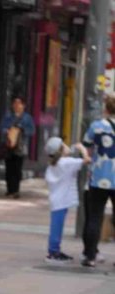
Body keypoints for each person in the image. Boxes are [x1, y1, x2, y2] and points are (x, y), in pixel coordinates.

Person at [80, 95, 115, 268]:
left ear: (106, 108)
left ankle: (90, 257)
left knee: (95, 217)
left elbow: (86, 142)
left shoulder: (97, 125)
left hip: (99, 177)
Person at [43, 137, 90, 264]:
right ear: (61, 150)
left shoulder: (54, 165)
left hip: (56, 200)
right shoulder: (67, 162)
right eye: (64, 144)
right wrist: (82, 149)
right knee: (56, 227)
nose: (67, 145)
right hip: (62, 200)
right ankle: (53, 253)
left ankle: (55, 251)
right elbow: (87, 160)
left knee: (56, 226)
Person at [0, 96, 36, 198]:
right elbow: (1, 127)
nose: (16, 105)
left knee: (17, 168)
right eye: (14, 103)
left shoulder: (27, 118)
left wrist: (22, 130)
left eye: (19, 103)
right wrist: (6, 130)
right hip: (9, 145)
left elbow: (32, 130)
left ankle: (16, 190)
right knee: (9, 168)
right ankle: (9, 189)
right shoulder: (8, 116)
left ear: (23, 105)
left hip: (20, 146)